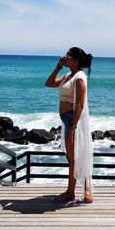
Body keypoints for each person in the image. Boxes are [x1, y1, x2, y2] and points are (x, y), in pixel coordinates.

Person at [45, 47, 94, 203]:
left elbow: (79, 105)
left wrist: (73, 127)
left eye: (67, 56)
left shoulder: (79, 77)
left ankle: (72, 192)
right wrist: (58, 66)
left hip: (73, 120)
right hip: (66, 120)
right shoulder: (68, 76)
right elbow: (49, 83)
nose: (64, 57)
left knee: (74, 156)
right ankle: (82, 190)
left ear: (75, 61)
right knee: (73, 156)